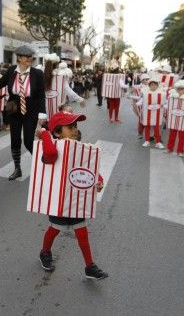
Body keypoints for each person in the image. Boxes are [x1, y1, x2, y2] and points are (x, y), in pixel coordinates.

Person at [36, 111, 107, 279]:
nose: (75, 130)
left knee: (82, 231)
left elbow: (90, 170)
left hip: (76, 199)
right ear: (57, 133)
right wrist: (45, 134)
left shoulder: (79, 149)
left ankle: (89, 265)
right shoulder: (50, 147)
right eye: (70, 127)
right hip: (59, 201)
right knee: (55, 229)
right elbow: (51, 155)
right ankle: (45, 252)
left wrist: (98, 181)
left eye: (75, 126)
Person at [0, 45, 46, 180]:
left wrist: (42, 113)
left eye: (31, 56)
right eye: (27, 57)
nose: (30, 59)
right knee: (15, 140)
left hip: (31, 109)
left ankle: (43, 164)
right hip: (14, 108)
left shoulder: (37, 74)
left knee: (28, 141)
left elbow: (41, 95)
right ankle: (17, 168)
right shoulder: (11, 71)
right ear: (19, 58)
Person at [43, 53, 85, 119]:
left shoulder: (41, 76)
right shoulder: (61, 77)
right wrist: (80, 99)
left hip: (44, 112)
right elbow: (69, 91)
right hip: (58, 110)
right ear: (57, 65)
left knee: (47, 128)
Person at [136, 78, 165, 149]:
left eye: (155, 85)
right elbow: (141, 100)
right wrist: (138, 103)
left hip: (157, 114)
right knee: (147, 127)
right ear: (149, 85)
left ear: (157, 86)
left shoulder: (161, 94)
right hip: (147, 113)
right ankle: (147, 141)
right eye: (152, 85)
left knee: (156, 128)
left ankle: (158, 142)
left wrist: (165, 106)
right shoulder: (145, 93)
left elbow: (165, 103)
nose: (153, 86)